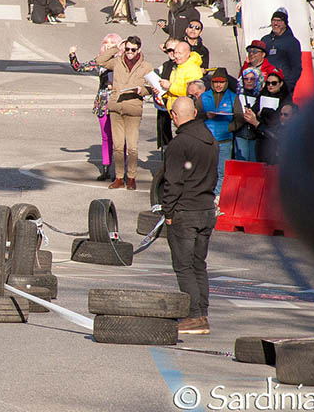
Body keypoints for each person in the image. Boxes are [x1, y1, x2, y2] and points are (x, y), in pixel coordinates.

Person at [162, 96, 218, 335]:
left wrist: (168, 211)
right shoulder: (210, 140)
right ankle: (202, 313)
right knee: (198, 265)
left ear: (175, 116)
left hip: (186, 211)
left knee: (184, 266)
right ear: (194, 113)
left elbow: (172, 182)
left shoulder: (179, 144)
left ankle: (194, 316)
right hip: (206, 208)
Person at [99, 36, 151, 189]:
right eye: (127, 49)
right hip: (116, 107)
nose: (129, 52)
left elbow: (153, 87)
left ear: (139, 50)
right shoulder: (117, 61)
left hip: (133, 109)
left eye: (132, 50)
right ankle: (119, 177)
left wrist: (143, 90)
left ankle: (132, 177)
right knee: (118, 146)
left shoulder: (146, 66)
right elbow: (100, 61)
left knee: (132, 147)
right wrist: (116, 48)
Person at [69, 34, 121, 182]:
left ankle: (120, 171)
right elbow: (79, 67)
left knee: (119, 137)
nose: (108, 46)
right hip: (103, 101)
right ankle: (105, 168)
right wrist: (72, 55)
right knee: (106, 137)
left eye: (112, 44)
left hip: (119, 101)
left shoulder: (123, 61)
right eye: (106, 43)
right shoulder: (100, 61)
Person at [199, 68, 237, 197]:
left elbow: (240, 118)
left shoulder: (233, 97)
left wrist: (229, 128)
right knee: (205, 170)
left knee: (221, 171)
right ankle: (204, 195)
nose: (218, 85)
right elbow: (196, 115)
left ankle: (217, 197)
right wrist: (206, 116)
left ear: (226, 83)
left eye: (221, 82)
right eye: (215, 82)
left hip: (225, 140)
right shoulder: (204, 96)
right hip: (207, 140)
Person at [260, 9, 302, 90]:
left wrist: (288, 86)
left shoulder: (292, 42)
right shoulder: (265, 39)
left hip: (283, 85)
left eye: (279, 21)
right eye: (273, 20)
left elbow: (296, 68)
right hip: (265, 84)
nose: (275, 23)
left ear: (285, 23)